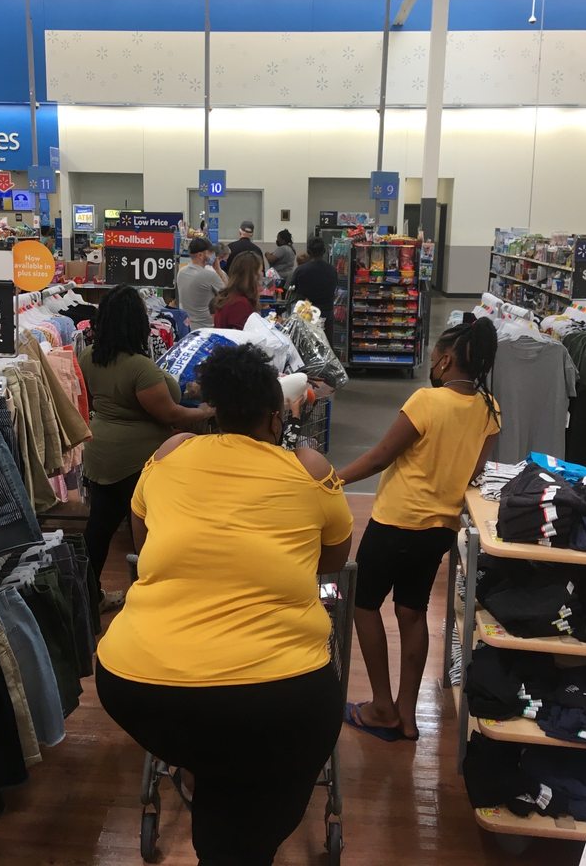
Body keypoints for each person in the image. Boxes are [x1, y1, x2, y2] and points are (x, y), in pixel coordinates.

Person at [95, 343, 353, 866]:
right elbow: (332, 559)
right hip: (276, 694)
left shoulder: (170, 453)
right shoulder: (309, 468)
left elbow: (142, 540)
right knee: (256, 790)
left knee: (212, 750)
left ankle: (206, 782)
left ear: (213, 409)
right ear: (276, 417)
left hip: (137, 681)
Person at [338, 317, 501, 743]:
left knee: (364, 606)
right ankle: (407, 717)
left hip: (396, 521)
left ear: (446, 361)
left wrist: (333, 479)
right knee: (412, 611)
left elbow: (381, 456)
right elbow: (475, 472)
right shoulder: (489, 409)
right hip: (439, 529)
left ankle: (381, 707)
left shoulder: (427, 400)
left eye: (434, 357)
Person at [78, 285, 212, 610]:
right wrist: (206, 412)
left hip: (100, 453)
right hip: (138, 462)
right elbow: (170, 414)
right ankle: (153, 601)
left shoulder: (88, 357)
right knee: (151, 534)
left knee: (98, 531)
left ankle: (86, 602)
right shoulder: (140, 367)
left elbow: (93, 402)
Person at [289, 235, 338, 344]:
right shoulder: (332, 270)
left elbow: (292, 290)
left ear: (308, 252)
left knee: (305, 346)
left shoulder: (300, 270)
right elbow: (334, 289)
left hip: (306, 314)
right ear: (324, 251)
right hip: (327, 314)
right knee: (326, 345)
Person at [176, 237, 224, 330]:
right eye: (210, 252)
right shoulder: (209, 275)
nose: (213, 256)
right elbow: (229, 295)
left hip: (188, 327)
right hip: (207, 328)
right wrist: (218, 270)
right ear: (200, 255)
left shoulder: (181, 272)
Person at [212, 250, 261, 330]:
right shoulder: (240, 303)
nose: (261, 275)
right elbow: (243, 335)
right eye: (260, 271)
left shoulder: (230, 297)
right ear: (253, 275)